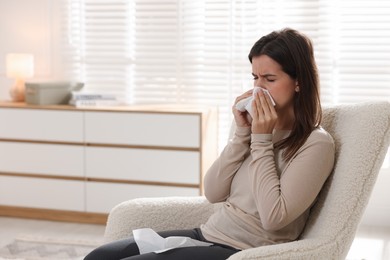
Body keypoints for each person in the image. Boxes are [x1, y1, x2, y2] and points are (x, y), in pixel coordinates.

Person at [84, 28, 335, 260]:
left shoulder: (315, 143)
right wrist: (242, 134)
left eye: (269, 79)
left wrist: (261, 141)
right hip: (208, 234)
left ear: (299, 82)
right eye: (255, 77)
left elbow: (273, 218)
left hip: (246, 250)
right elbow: (214, 193)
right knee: (98, 257)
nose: (258, 88)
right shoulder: (252, 130)